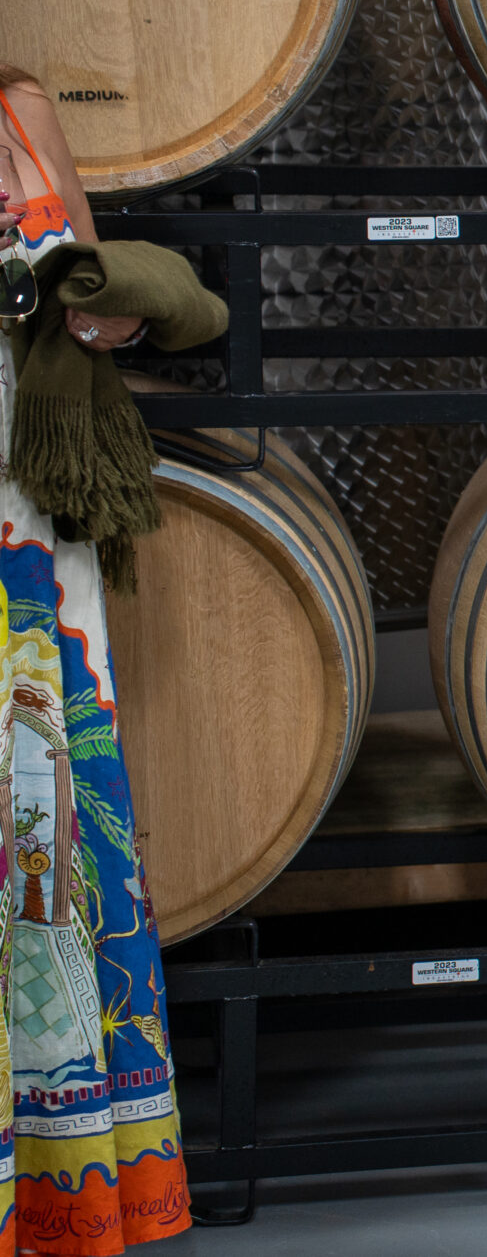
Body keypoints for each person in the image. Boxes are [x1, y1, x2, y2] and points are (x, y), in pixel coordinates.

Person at [0, 64, 192, 1254]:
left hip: (23, 532)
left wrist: (103, 309)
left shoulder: (20, 112)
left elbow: (95, 303)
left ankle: (51, 1195)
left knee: (38, 849)